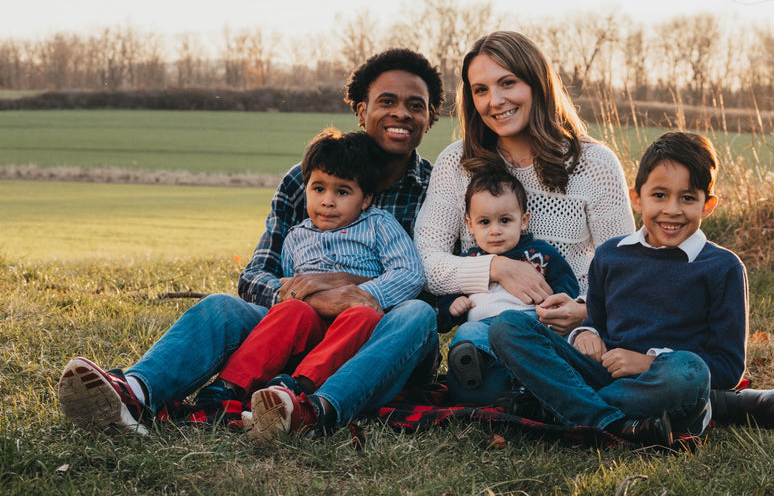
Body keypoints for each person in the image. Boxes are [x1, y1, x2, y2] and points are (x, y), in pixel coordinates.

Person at [57, 48, 444, 437]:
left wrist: (346, 286)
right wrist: (313, 299)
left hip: (382, 338)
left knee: (417, 314)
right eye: (387, 102)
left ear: (430, 119)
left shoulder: (436, 188)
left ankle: (316, 410)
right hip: (298, 323)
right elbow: (257, 276)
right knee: (222, 307)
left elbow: (434, 288)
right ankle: (135, 392)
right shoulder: (306, 179)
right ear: (362, 111)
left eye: (416, 105)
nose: (401, 114)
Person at [414, 30, 636, 405]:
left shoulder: (594, 165)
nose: (494, 101)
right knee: (484, 373)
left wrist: (585, 312)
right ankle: (558, 396)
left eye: (507, 83)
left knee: (574, 362)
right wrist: (497, 268)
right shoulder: (457, 163)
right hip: (488, 326)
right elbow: (428, 262)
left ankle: (541, 392)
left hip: (567, 330)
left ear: (536, 84)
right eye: (480, 90)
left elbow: (624, 269)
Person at [489, 131, 748, 447]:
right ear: (637, 198)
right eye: (660, 195)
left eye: (688, 198)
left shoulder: (722, 267)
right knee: (508, 326)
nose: (672, 210)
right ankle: (615, 424)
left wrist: (646, 363)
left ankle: (568, 409)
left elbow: (728, 367)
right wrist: (585, 335)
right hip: (604, 374)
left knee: (689, 370)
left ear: (707, 206)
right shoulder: (612, 254)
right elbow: (595, 320)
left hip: (664, 384)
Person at [196, 128, 425, 404]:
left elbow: (409, 272)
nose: (327, 201)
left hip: (359, 329)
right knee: (292, 309)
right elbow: (290, 285)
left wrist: (364, 295)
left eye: (342, 191)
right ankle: (230, 385)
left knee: (362, 315)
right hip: (311, 326)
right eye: (318, 189)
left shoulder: (379, 224)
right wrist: (315, 298)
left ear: (365, 198)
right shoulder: (296, 236)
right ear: (306, 189)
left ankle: (298, 385)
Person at [436, 169, 579, 404]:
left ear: (523, 220)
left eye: (505, 220)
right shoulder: (468, 261)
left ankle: (524, 382)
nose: (495, 230)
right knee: (466, 334)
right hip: (482, 330)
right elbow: (444, 308)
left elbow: (566, 285)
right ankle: (478, 371)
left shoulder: (540, 254)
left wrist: (560, 308)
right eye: (484, 222)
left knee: (547, 344)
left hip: (526, 324)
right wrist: (453, 306)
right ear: (470, 225)